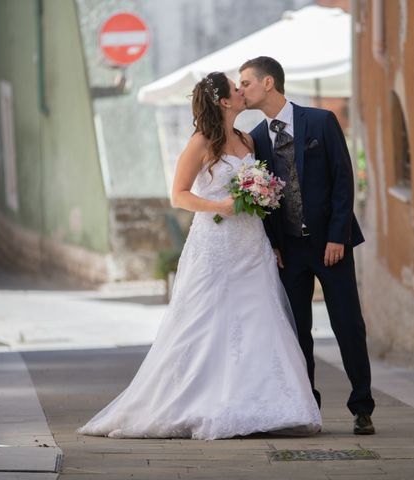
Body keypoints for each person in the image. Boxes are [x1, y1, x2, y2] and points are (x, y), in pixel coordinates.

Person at [78, 72, 321, 440]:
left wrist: (264, 210)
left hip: (251, 244)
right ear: (224, 101)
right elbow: (178, 195)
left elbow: (255, 191)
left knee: (261, 318)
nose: (242, 92)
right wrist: (219, 205)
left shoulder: (245, 139)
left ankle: (270, 406)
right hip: (216, 243)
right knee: (205, 322)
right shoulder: (201, 141)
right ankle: (200, 400)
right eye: (236, 89)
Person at [239, 56, 376, 435]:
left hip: (331, 245)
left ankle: (362, 406)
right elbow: (262, 200)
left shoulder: (320, 121)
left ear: (269, 83)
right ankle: (307, 406)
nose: (241, 90)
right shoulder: (256, 139)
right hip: (290, 252)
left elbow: (342, 181)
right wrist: (274, 245)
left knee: (349, 325)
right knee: (297, 331)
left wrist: (337, 236)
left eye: (246, 82)